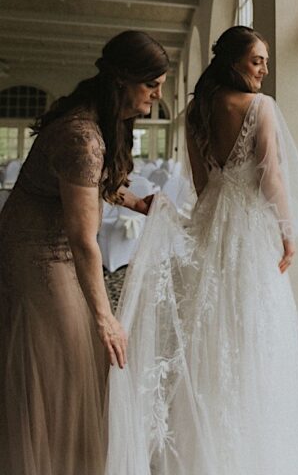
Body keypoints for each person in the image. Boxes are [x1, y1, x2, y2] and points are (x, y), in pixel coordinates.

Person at [106, 26, 298, 474]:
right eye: (257, 59)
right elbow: (271, 177)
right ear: (234, 62)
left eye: (265, 60)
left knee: (207, 334)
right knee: (249, 335)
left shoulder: (195, 113)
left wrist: (210, 221)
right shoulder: (260, 107)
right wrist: (286, 231)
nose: (264, 67)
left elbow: (203, 188)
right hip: (248, 234)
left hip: (210, 225)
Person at [0, 31, 169, 475]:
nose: (158, 93)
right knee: (64, 359)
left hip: (58, 250)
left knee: (84, 360)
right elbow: (83, 238)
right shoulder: (81, 136)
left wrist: (138, 203)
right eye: (152, 83)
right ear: (123, 82)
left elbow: (94, 187)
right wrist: (105, 316)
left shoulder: (96, 123)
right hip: (33, 253)